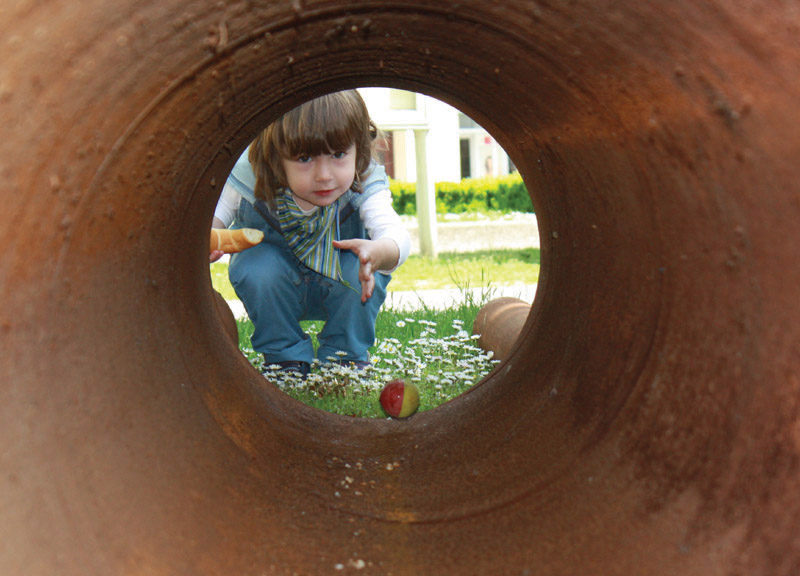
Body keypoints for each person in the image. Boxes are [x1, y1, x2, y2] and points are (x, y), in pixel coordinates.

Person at [211, 90, 411, 376]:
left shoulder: (363, 179)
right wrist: (208, 240)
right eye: (304, 158)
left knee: (361, 265)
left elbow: (395, 234)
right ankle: (285, 359)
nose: (324, 175)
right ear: (275, 155)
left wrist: (380, 251)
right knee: (256, 265)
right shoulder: (250, 175)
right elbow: (213, 218)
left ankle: (345, 358)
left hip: (342, 284)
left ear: (358, 148)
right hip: (273, 285)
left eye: (338, 154)